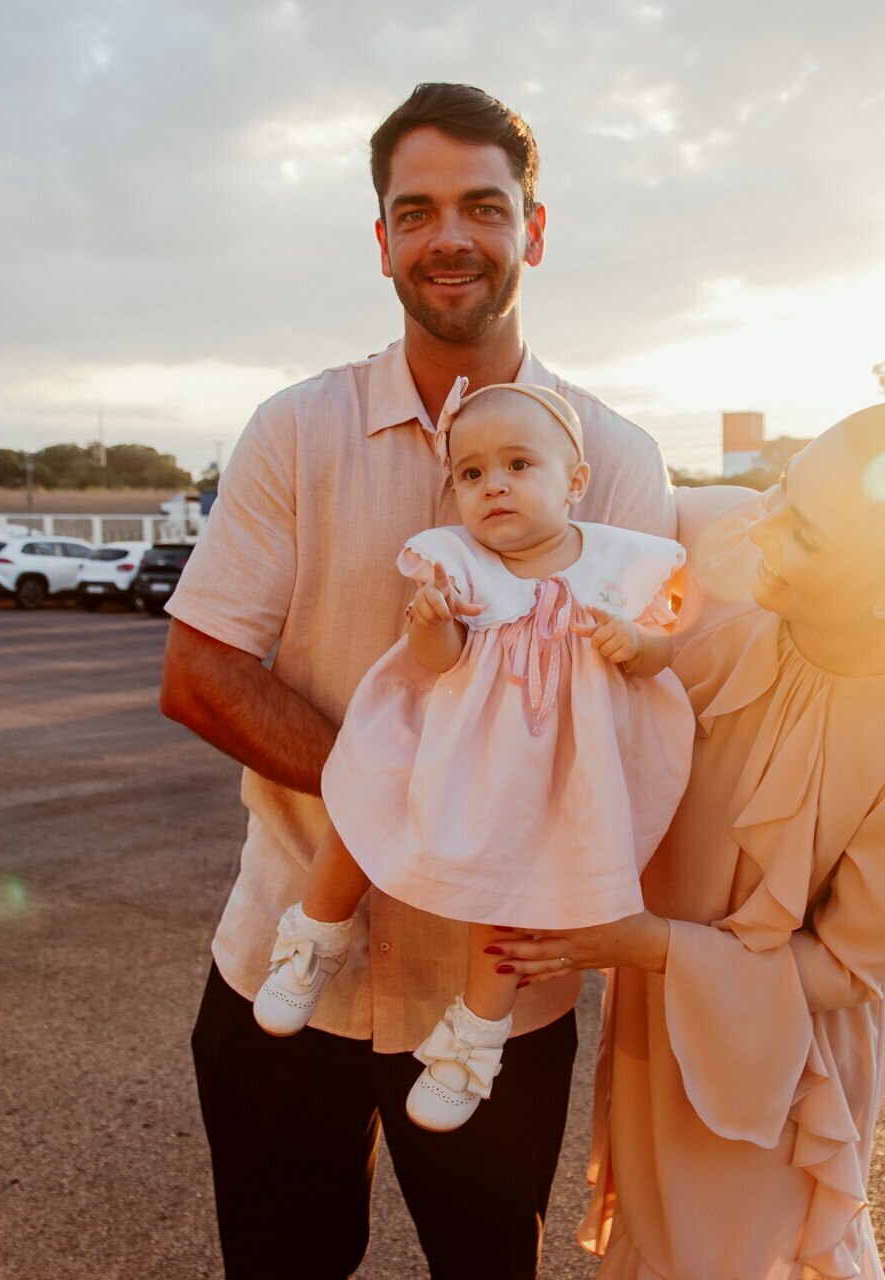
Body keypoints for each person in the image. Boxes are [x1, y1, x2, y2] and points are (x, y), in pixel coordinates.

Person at [158, 82, 673, 1279]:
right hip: (288, 953)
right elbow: (199, 669)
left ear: (532, 230)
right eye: (418, 209)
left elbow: (643, 709)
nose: (451, 236)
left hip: (496, 1000)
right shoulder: (297, 430)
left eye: (484, 206)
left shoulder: (621, 462)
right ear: (383, 238)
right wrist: (398, 801)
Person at [493, 400, 885, 1279]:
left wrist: (648, 945)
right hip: (664, 1020)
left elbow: (846, 970)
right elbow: (585, 466)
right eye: (781, 490)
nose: (763, 528)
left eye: (806, 533)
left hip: (779, 1067)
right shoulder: (745, 584)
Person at [251, 377, 692, 1136]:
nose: (494, 487)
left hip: (551, 772)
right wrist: (431, 623)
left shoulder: (621, 559)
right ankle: (313, 935)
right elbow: (437, 662)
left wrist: (637, 644)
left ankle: (474, 1035)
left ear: (574, 481)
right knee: (365, 815)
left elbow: (661, 648)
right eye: (472, 472)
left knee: (517, 891)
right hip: (446, 745)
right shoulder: (455, 558)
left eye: (520, 465)